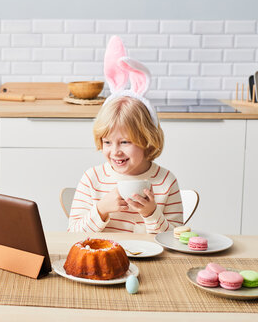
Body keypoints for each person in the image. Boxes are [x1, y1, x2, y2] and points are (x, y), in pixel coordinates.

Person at [68, 36, 183, 233]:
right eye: (107, 142)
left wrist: (151, 213)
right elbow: (73, 233)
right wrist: (101, 209)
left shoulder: (165, 181)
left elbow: (175, 239)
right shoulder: (93, 178)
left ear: (147, 140)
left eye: (124, 142)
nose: (115, 152)